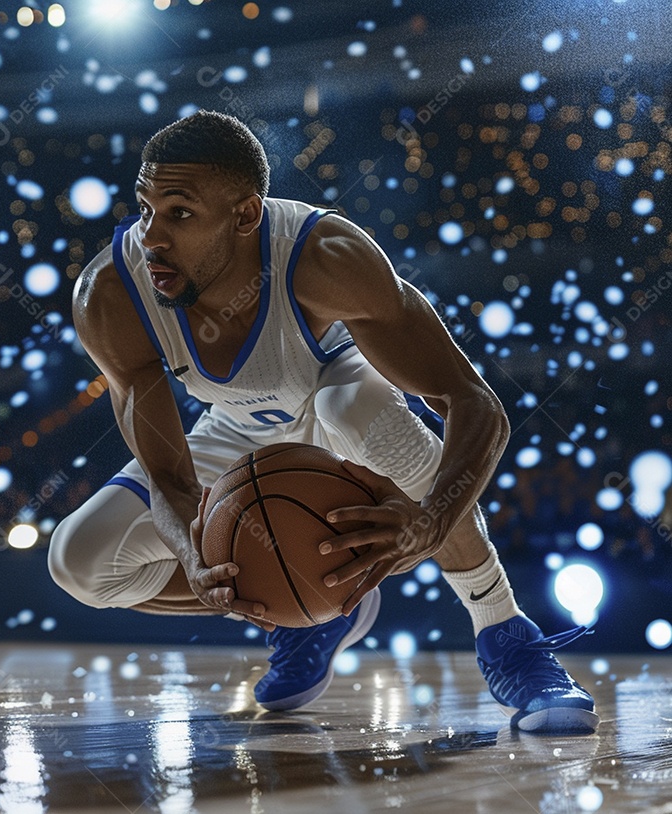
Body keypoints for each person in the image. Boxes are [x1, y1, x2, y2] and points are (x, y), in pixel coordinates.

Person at [49, 110, 597, 733]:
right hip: (241, 427)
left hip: (340, 391)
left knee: (350, 406)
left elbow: (475, 405)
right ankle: (310, 611)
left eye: (179, 213)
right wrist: (197, 559)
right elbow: (170, 478)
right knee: (79, 560)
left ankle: (506, 634)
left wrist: (432, 520)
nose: (151, 236)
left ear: (247, 215)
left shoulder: (326, 256)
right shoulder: (112, 295)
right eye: (145, 207)